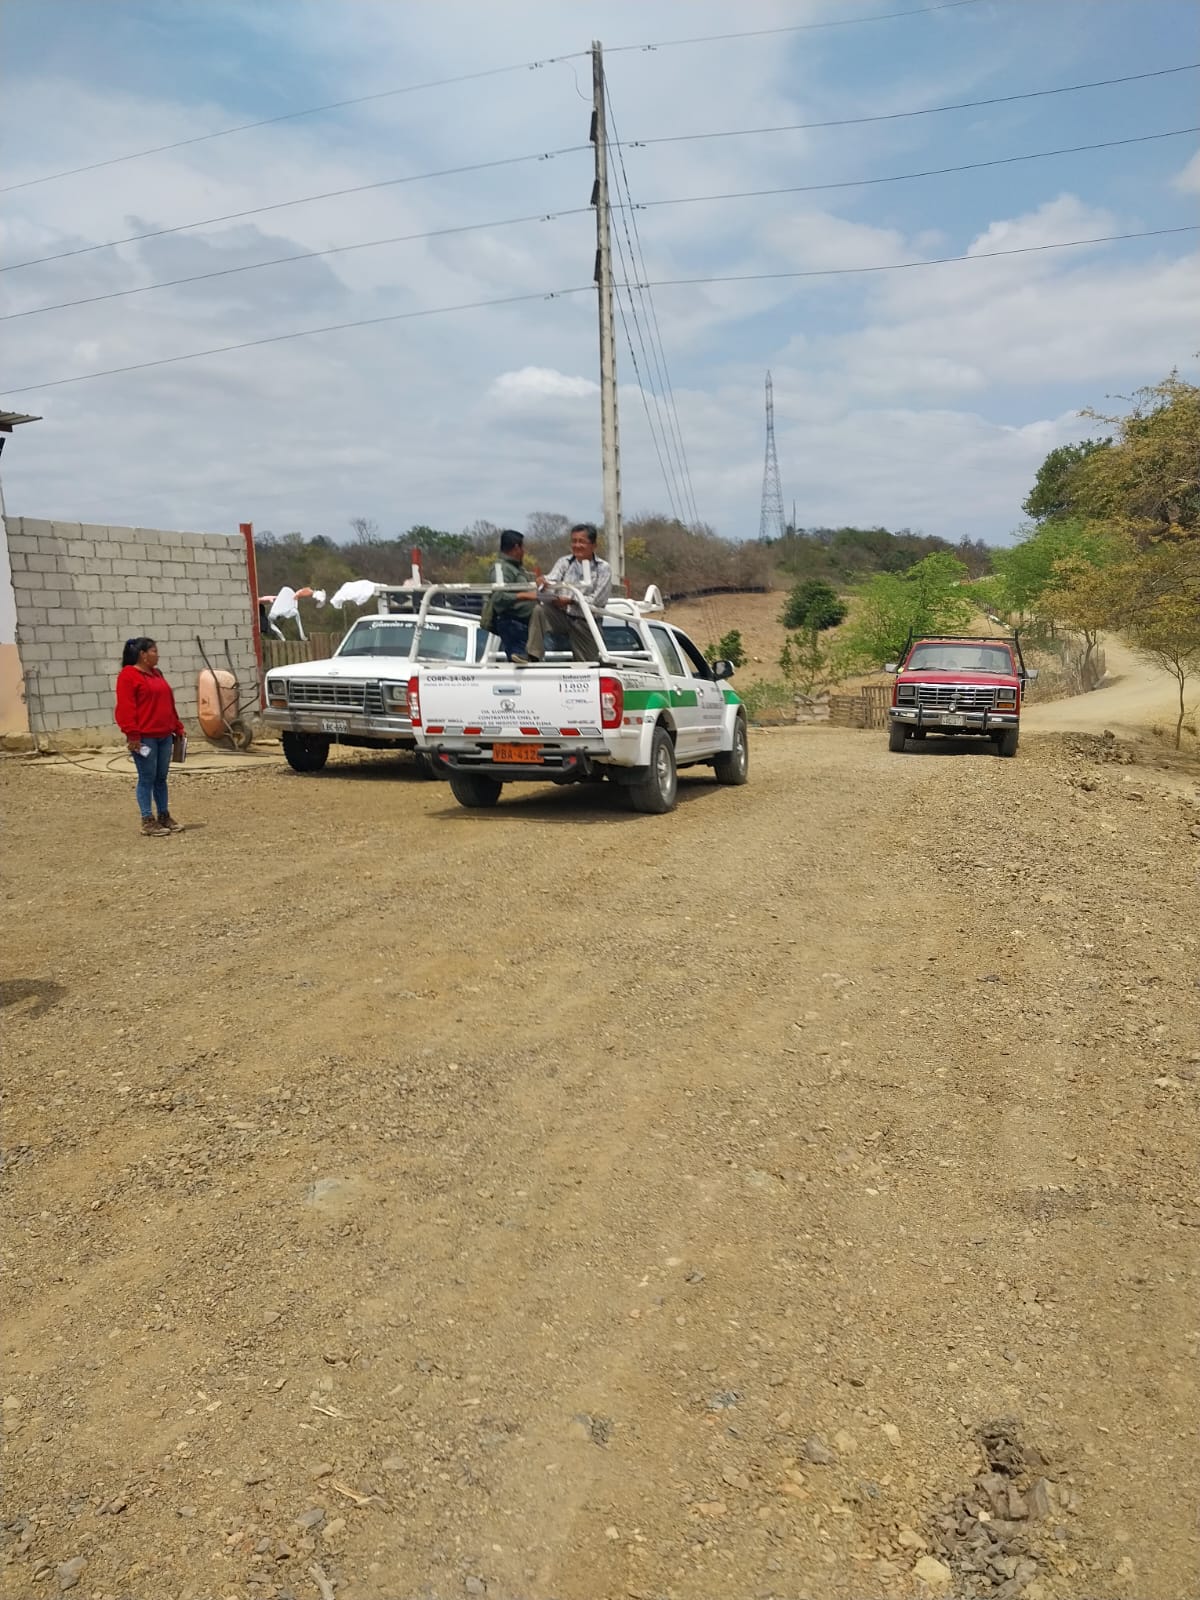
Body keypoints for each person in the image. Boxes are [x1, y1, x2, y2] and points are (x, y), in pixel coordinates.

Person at [114, 637, 186, 836]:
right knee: (147, 777)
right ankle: (147, 820)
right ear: (143, 655)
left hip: (164, 736)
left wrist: (177, 727)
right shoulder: (128, 676)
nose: (158, 655)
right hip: (144, 739)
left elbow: (168, 704)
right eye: (154, 651)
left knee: (161, 778)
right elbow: (126, 708)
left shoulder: (157, 674)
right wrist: (132, 735)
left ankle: (164, 816)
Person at [516, 522, 613, 663]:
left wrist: (571, 600)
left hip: (586, 621)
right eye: (574, 541)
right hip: (562, 616)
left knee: (586, 664)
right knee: (540, 610)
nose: (577, 545)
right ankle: (532, 655)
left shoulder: (603, 568)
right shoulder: (565, 562)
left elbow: (598, 600)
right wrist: (543, 582)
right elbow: (552, 581)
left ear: (593, 545)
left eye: (581, 541)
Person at [481, 529, 534, 660]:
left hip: (524, 624)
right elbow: (499, 597)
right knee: (521, 663)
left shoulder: (515, 568)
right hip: (513, 624)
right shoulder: (501, 568)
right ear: (516, 548)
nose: (524, 551)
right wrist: (527, 595)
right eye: (523, 547)